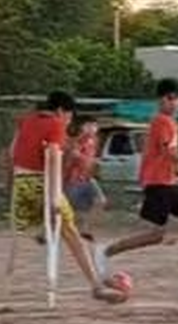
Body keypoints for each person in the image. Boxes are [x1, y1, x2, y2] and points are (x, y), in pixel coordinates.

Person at [94, 78, 178, 290]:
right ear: (161, 100)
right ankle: (106, 251)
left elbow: (169, 156)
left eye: (177, 98)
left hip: (168, 182)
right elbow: (168, 153)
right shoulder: (162, 121)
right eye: (170, 98)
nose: (174, 102)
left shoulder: (170, 122)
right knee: (156, 235)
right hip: (158, 182)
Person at [8, 91, 124, 304]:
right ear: (61, 110)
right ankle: (96, 285)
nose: (69, 121)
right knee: (70, 232)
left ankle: (11, 275)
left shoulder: (26, 121)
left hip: (21, 186)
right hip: (42, 185)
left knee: (64, 229)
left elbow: (12, 152)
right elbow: (53, 159)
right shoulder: (55, 124)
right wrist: (53, 196)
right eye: (69, 116)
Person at [64, 118, 106, 241]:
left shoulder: (94, 141)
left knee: (100, 200)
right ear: (82, 127)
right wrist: (89, 160)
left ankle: (84, 230)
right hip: (73, 178)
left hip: (87, 178)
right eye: (88, 125)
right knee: (66, 208)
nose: (92, 128)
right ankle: (45, 232)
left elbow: (89, 160)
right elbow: (73, 155)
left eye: (94, 125)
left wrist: (93, 164)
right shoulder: (78, 141)